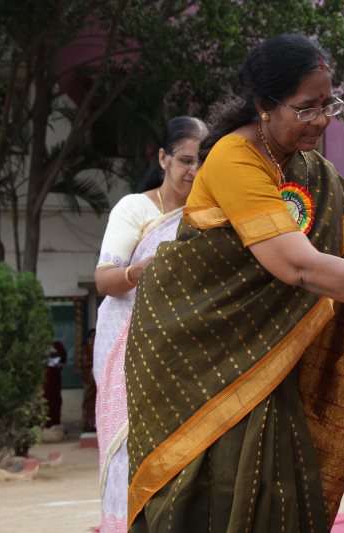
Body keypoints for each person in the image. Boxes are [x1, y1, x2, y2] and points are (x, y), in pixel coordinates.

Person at [124, 35, 344, 532]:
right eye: (306, 108)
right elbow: (299, 266)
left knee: (278, 479)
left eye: (328, 105)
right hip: (200, 352)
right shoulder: (234, 157)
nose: (321, 120)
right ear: (264, 105)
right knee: (216, 487)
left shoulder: (312, 169)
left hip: (271, 355)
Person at [93, 116, 208, 532]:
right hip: (127, 345)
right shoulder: (136, 209)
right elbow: (105, 280)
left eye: (202, 161)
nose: (194, 170)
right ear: (163, 159)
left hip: (181, 348)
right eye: (186, 160)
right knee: (129, 446)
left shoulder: (208, 214)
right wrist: (136, 273)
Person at [78, 329, 97, 433]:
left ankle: (97, 425)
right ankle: (89, 425)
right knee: (89, 400)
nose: (94, 338)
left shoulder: (100, 347)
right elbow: (85, 363)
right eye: (92, 336)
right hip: (90, 379)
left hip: (98, 378)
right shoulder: (86, 349)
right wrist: (94, 361)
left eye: (95, 336)